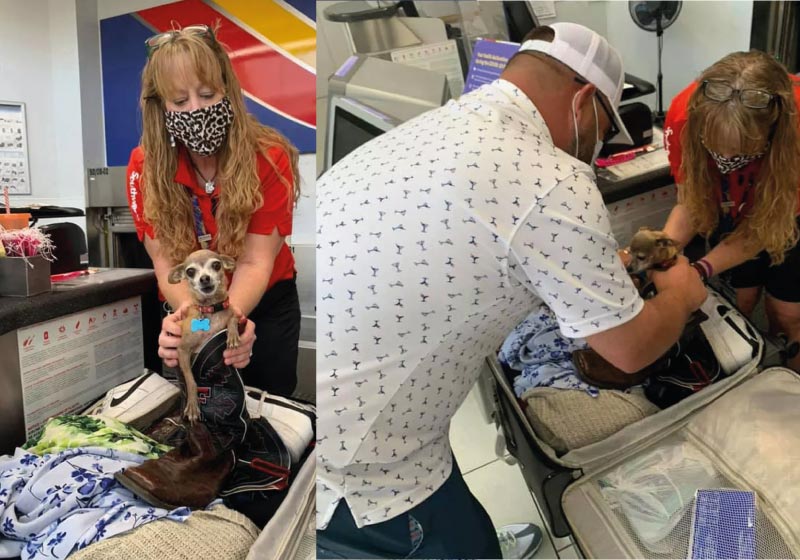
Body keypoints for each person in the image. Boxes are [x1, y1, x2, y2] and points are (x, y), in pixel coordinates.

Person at [316, 22, 707, 559]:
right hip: (368, 469)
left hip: (342, 407)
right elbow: (630, 348)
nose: (597, 144)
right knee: (460, 542)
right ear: (586, 98)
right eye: (604, 128)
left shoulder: (436, 127)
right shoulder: (553, 178)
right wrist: (684, 295)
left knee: (462, 513)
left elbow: (478, 250)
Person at [125, 24, 302, 396]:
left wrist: (228, 320)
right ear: (161, 108)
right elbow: (164, 264)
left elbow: (254, 263)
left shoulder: (269, 158)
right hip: (189, 302)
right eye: (179, 102)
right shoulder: (145, 168)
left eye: (207, 94)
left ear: (228, 91)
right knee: (198, 403)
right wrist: (197, 324)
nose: (196, 109)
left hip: (263, 303)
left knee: (268, 405)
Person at [662, 50, 800, 370]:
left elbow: (764, 228)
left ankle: (788, 382)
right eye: (715, 146)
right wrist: (661, 251)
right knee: (741, 297)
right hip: (733, 197)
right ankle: (749, 362)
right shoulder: (684, 115)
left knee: (787, 310)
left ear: (771, 132)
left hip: (788, 203)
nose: (725, 157)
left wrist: (699, 270)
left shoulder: (794, 130)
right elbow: (693, 201)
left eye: (739, 150)